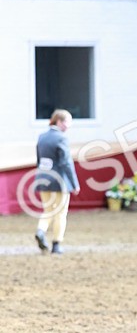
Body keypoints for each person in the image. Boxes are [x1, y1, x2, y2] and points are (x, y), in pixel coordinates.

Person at [34, 109, 79, 256]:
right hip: (59, 181)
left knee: (48, 210)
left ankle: (41, 231)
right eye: (67, 122)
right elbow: (66, 162)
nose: (69, 126)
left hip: (43, 179)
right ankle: (56, 244)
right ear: (59, 121)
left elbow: (39, 160)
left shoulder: (42, 137)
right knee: (60, 213)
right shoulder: (61, 138)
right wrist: (74, 183)